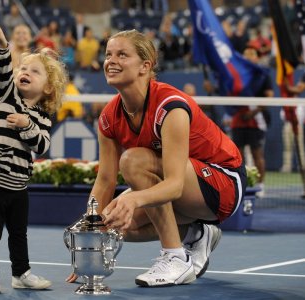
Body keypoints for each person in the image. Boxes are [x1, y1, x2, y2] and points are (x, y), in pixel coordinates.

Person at [65, 29, 246, 287]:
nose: (111, 61)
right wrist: (90, 239)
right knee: (113, 222)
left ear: (145, 66)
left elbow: (174, 185)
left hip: (222, 183)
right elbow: (104, 181)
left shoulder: (170, 105)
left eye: (122, 55)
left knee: (133, 162)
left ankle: (175, 257)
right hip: (182, 188)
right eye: (108, 54)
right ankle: (196, 233)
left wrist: (135, 200)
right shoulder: (108, 117)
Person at [0, 16, 67, 293]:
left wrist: (26, 124)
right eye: (23, 68)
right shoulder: (7, 96)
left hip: (19, 186)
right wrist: (3, 46)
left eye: (34, 71)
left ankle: (21, 272)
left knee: (19, 233)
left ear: (48, 88)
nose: (24, 72)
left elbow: (41, 146)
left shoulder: (42, 117)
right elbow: (3, 70)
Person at [228, 47, 273, 196]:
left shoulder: (263, 75)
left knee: (257, 154)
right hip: (238, 120)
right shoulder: (236, 75)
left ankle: (261, 186)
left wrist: (252, 113)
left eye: (252, 54)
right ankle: (240, 185)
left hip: (256, 120)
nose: (248, 56)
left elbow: (269, 97)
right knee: (237, 156)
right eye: (245, 53)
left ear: (257, 58)